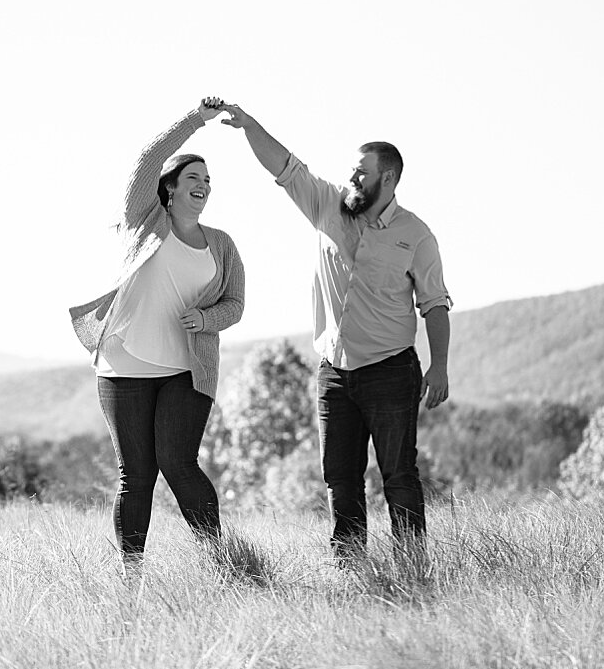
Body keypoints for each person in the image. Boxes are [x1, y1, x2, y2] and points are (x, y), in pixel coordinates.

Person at [217, 103, 451, 563]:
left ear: (388, 180)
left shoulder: (417, 235)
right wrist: (248, 125)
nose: (352, 180)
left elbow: (435, 304)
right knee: (339, 477)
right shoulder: (328, 207)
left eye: (361, 173)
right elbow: (285, 167)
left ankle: (411, 566)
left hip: (390, 372)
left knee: (399, 474)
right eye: (351, 171)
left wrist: (439, 365)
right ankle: (351, 567)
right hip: (334, 375)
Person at [69, 97, 246, 569]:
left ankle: (224, 563)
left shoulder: (222, 245)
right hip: (124, 365)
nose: (203, 187)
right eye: (193, 178)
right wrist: (196, 121)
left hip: (186, 370)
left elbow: (235, 305)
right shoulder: (143, 221)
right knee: (137, 476)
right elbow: (148, 161)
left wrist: (206, 320)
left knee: (179, 463)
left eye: (208, 182)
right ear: (167, 189)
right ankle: (132, 575)